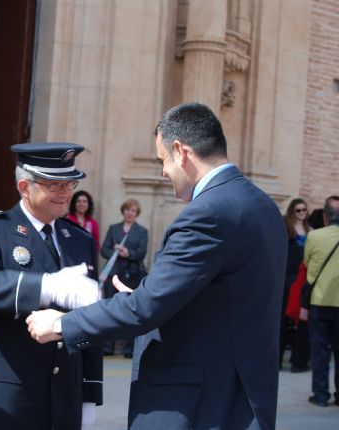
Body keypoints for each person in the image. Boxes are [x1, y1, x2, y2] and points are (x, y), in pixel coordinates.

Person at [27, 102, 287, 429]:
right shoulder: (261, 204)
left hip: (200, 402)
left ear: (181, 151)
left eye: (163, 159)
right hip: (242, 392)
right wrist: (154, 290)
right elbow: (226, 294)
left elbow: (144, 309)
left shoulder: (207, 215)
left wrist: (63, 323)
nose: (163, 171)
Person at [0, 142, 103, 430]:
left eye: (69, 184)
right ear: (25, 187)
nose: (64, 192)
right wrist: (47, 287)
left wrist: (90, 391)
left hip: (64, 393)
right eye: (54, 184)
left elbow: (92, 318)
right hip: (8, 392)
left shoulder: (79, 239)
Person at [100, 198, 148, 358]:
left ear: (137, 213)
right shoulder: (114, 229)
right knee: (110, 307)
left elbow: (142, 253)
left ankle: (129, 348)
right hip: (114, 273)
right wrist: (114, 250)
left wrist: (128, 253)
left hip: (133, 274)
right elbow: (104, 250)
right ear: (123, 211)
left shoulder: (142, 231)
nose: (129, 213)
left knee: (130, 309)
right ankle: (107, 346)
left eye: (133, 210)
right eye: (127, 210)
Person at [304, 195, 339, 407]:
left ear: (325, 217)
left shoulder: (314, 237)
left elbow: (308, 264)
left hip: (320, 300)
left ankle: (320, 394)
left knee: (319, 350)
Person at [280, 198, 311, 372]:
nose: (301, 213)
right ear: (292, 211)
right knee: (284, 316)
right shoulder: (287, 228)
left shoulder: (309, 230)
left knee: (302, 316)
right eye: (298, 210)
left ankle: (298, 360)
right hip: (289, 275)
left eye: (304, 210)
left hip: (302, 275)